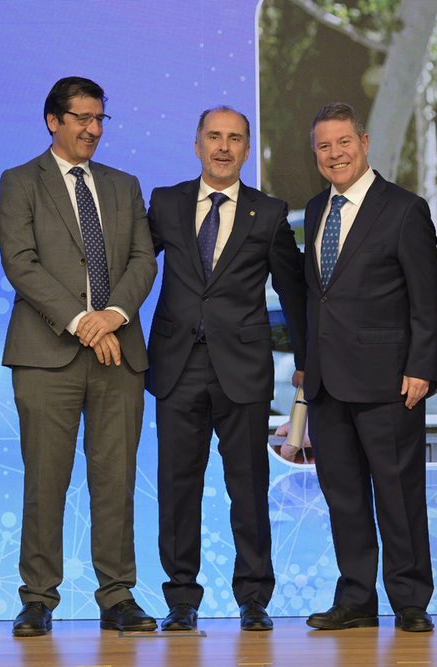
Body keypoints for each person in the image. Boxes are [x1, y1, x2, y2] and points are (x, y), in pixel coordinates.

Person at [0, 76, 158, 636]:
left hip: (119, 352)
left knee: (115, 479)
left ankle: (117, 596)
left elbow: (143, 260)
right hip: (47, 355)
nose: (93, 129)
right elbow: (21, 263)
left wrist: (112, 316)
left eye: (100, 119)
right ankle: (38, 598)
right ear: (53, 121)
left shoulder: (124, 184)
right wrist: (83, 322)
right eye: (82, 118)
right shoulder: (21, 182)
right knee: (46, 479)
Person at [146, 106, 306, 632]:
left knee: (249, 489)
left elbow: (294, 292)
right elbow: (133, 271)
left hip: (243, 369)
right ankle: (181, 601)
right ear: (197, 145)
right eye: (214, 137)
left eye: (234, 138)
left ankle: (254, 599)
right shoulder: (165, 203)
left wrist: (306, 364)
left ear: (246, 149)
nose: (223, 146)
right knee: (177, 488)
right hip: (176, 366)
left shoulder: (270, 211)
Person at [302, 103, 437, 633]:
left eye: (343, 142)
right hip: (326, 381)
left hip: (389, 380)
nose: (334, 153)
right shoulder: (316, 210)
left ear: (362, 143)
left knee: (399, 495)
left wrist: (420, 367)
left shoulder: (405, 209)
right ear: (315, 153)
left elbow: (426, 301)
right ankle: (356, 598)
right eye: (323, 146)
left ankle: (410, 601)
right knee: (343, 496)